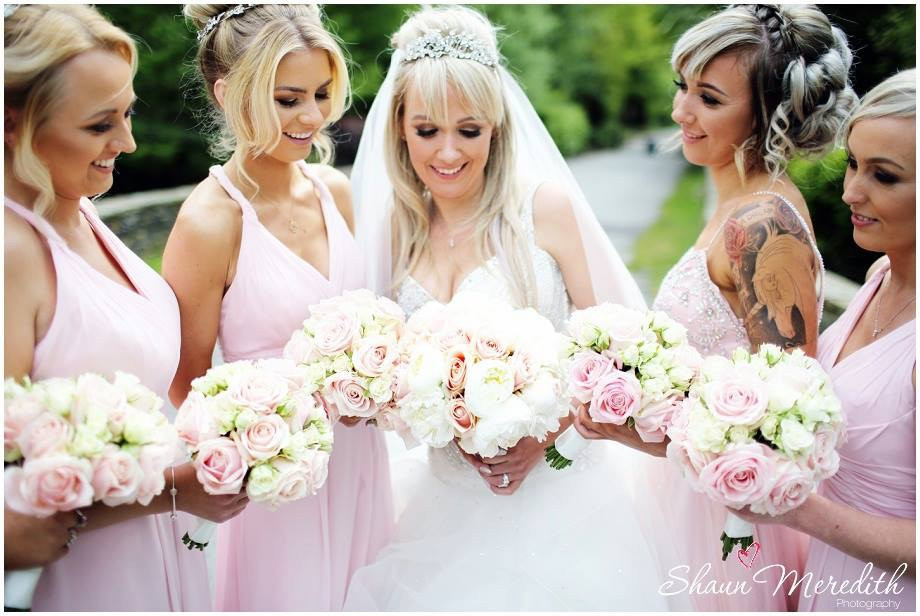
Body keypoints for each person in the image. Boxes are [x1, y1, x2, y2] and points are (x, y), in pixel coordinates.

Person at [344, 6, 669, 610]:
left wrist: (542, 437)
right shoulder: (391, 231)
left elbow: (612, 359)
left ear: (496, 128)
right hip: (437, 502)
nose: (447, 153)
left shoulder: (543, 209)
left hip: (560, 502)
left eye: (469, 130)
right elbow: (379, 379)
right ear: (398, 130)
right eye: (426, 130)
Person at [574, 3, 857, 610]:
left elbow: (785, 431)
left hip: (729, 528)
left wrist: (637, 431)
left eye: (708, 97)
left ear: (766, 116)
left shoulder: (762, 225)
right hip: (684, 496)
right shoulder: (734, 205)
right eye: (683, 86)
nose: (681, 111)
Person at [3, 4, 245, 610]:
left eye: (128, 112)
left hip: (160, 554)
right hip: (82, 582)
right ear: (13, 122)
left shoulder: (78, 207)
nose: (129, 142)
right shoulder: (12, 253)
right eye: (99, 125)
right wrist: (172, 491)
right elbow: (13, 506)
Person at [163, 4, 393, 610]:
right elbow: (186, 382)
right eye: (288, 99)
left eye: (321, 94)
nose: (313, 117)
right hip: (276, 483)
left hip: (360, 462)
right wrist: (267, 444)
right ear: (227, 94)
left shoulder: (334, 190)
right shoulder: (210, 222)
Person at [734, 68, 916, 612]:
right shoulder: (883, 275)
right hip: (832, 580)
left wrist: (794, 508)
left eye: (884, 176)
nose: (849, 191)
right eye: (854, 163)